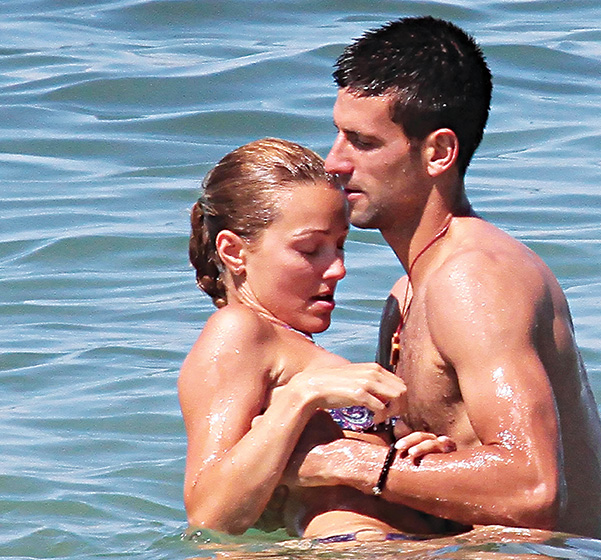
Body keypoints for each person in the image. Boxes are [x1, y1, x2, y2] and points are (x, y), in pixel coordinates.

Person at [286, 16, 601, 540]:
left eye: (363, 142)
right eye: (337, 135)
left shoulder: (473, 280)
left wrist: (345, 463)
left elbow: (533, 488)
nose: (334, 163)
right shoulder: (407, 293)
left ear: (438, 153)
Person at [178, 137, 459, 541]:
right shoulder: (238, 331)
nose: (338, 268)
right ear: (234, 251)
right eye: (310, 250)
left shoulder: (290, 347)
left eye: (340, 245)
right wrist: (302, 395)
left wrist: (416, 456)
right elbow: (210, 513)